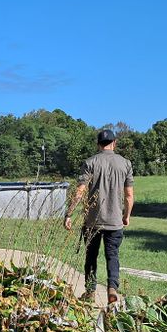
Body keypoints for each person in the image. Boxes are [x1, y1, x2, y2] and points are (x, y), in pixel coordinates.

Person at [63, 128, 134, 304]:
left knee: (91, 257)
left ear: (98, 144)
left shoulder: (90, 162)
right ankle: (112, 289)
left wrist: (69, 213)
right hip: (115, 221)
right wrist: (126, 215)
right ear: (114, 143)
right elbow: (129, 195)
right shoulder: (125, 163)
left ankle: (90, 292)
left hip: (92, 221)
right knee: (112, 256)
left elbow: (80, 191)